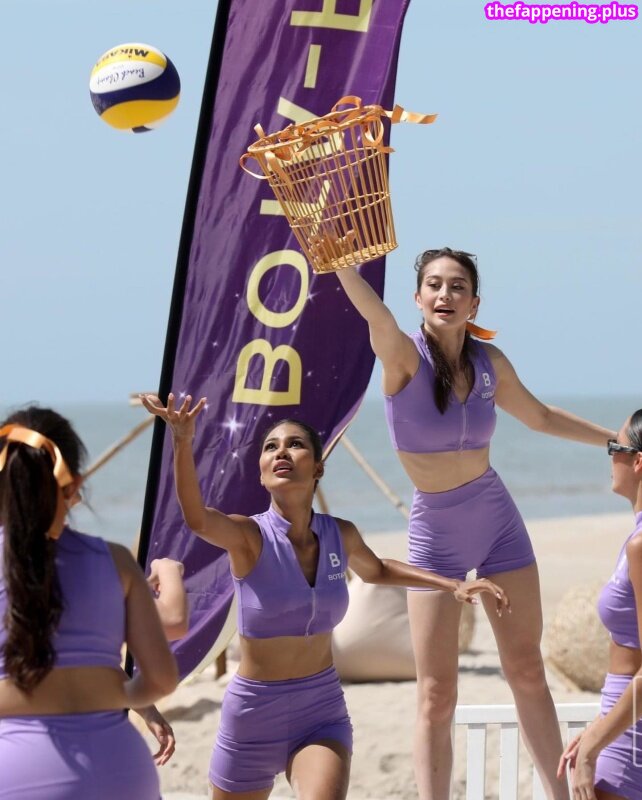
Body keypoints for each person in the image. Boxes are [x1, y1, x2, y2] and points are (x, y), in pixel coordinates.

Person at [335, 247, 616, 800]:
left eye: (457, 286)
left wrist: (616, 441)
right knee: (437, 693)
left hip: (497, 522)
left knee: (527, 671)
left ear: (474, 303)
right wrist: (343, 262)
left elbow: (540, 416)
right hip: (435, 536)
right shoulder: (402, 356)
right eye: (435, 285)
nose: (445, 294)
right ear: (418, 298)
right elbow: (374, 314)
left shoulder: (490, 363)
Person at [141, 393, 510, 800]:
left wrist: (451, 584)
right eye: (271, 447)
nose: (281, 452)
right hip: (252, 715)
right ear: (262, 474)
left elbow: (378, 569)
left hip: (319, 710)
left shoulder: (341, 534)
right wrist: (182, 440)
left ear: (318, 468)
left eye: (295, 444)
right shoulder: (249, 537)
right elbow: (197, 518)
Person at [0, 407, 179, 799]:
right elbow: (162, 679)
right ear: (74, 486)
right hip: (120, 767)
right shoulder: (116, 561)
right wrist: (118, 695)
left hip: (14, 768)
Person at [557, 410, 642, 800]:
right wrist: (600, 727)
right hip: (623, 722)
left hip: (630, 739)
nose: (610, 458)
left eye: (614, 447)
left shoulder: (640, 546)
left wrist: (595, 743)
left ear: (637, 462)